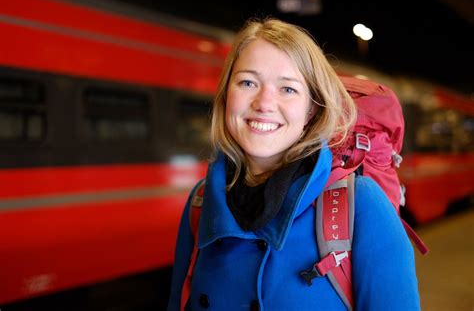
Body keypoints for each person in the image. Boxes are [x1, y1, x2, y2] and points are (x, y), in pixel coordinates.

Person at [167, 18, 420, 310]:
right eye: (248, 82)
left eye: (287, 89)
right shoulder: (201, 201)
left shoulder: (361, 204)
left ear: (311, 109)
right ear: (226, 97)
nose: (264, 103)